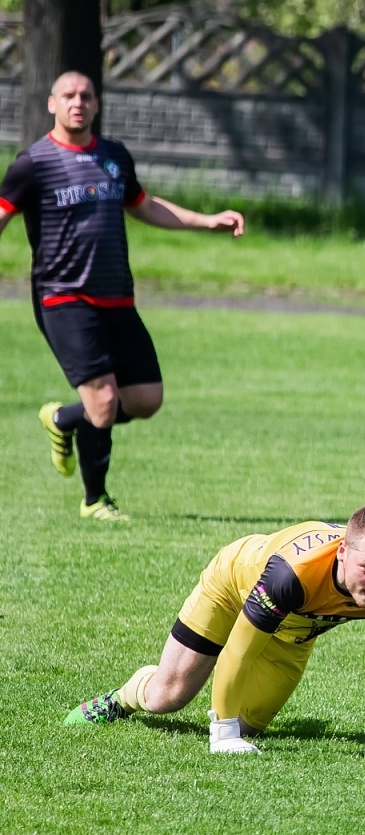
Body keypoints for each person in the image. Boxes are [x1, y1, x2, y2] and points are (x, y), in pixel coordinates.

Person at [63, 504, 365, 764]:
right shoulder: (294, 573)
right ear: (343, 552)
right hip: (234, 586)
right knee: (170, 696)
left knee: (251, 729)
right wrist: (220, 734)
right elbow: (240, 650)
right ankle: (125, 695)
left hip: (296, 632)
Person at [0, 70, 246, 521]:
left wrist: (206, 220)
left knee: (146, 399)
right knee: (105, 401)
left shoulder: (114, 156)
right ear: (51, 104)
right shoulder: (32, 164)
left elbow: (144, 204)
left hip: (117, 297)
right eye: (69, 96)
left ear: (96, 105)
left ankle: (63, 419)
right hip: (63, 297)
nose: (78, 102)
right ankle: (96, 500)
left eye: (86, 96)